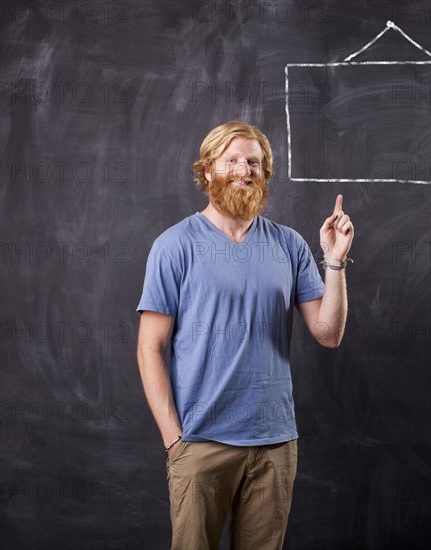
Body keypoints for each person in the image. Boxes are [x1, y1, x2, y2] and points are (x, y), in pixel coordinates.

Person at [136, 121, 353, 550]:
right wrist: (173, 438)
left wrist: (334, 262)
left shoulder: (288, 245)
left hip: (275, 442)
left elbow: (328, 334)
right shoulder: (175, 245)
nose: (244, 168)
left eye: (254, 160)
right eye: (231, 159)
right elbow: (150, 347)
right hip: (200, 442)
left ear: (265, 172)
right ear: (208, 171)